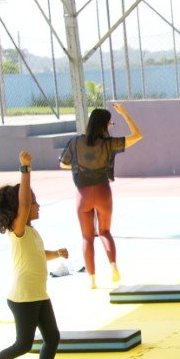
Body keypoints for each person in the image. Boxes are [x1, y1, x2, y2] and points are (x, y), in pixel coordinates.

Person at [0, 152, 68, 359]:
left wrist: (56, 253)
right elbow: (23, 203)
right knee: (23, 345)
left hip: (38, 294)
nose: (37, 205)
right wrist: (25, 169)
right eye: (34, 202)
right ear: (19, 209)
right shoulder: (18, 230)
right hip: (24, 298)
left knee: (52, 337)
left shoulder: (31, 232)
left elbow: (37, 254)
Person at [59, 103, 142, 289]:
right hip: (103, 192)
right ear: (104, 125)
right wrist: (124, 113)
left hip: (83, 194)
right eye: (110, 124)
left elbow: (63, 163)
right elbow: (138, 135)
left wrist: (78, 165)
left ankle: (92, 279)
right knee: (104, 231)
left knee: (87, 237)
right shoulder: (109, 144)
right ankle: (113, 266)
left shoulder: (75, 142)